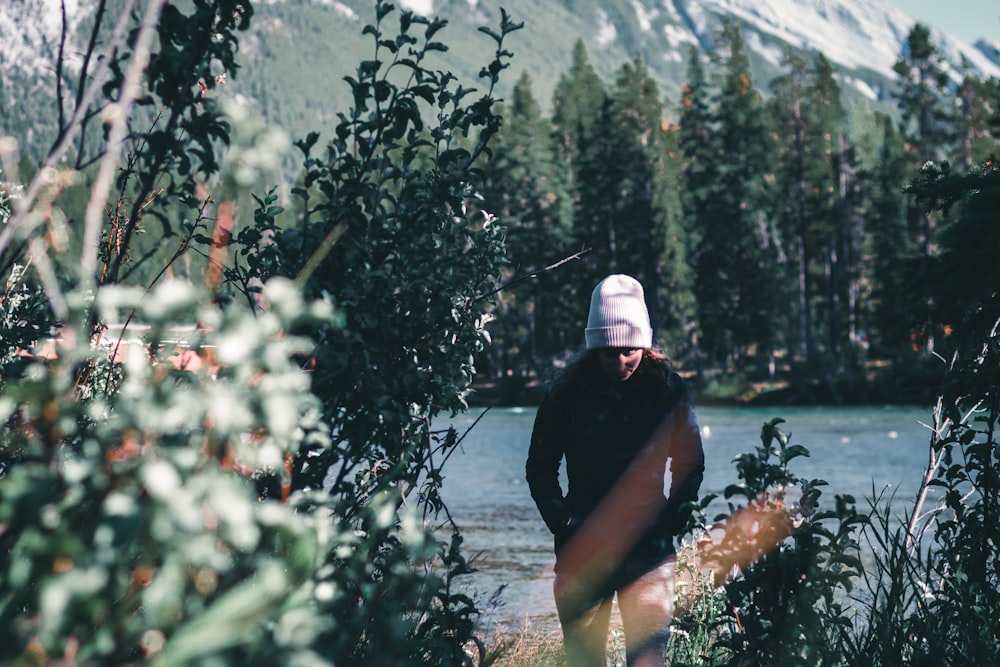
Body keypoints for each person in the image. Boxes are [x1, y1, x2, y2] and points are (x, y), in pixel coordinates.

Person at [525, 274, 705, 667]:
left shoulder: (669, 391)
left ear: (643, 342)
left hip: (650, 553)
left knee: (647, 660)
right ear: (594, 348)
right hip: (582, 550)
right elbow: (540, 468)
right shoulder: (565, 395)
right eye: (609, 353)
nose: (620, 361)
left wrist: (672, 520)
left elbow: (690, 462)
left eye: (628, 350)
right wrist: (563, 522)